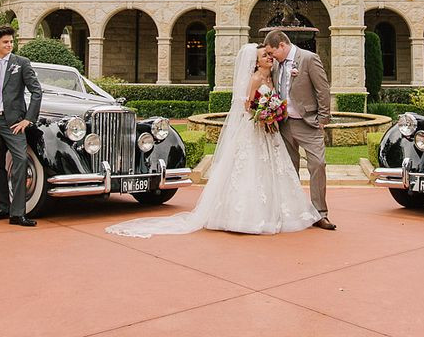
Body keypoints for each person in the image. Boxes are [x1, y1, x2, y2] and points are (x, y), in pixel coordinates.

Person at [107, 43, 321, 237]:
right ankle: (244, 216)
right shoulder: (255, 79)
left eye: (269, 54)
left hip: (269, 130)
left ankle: (279, 212)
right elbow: (246, 106)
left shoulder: (272, 75)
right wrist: (264, 113)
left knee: (273, 170)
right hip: (254, 129)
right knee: (250, 169)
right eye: (265, 55)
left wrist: (272, 111)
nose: (269, 57)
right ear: (255, 62)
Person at [267, 30, 335, 230]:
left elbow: (323, 89)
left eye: (272, 52)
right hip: (285, 124)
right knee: (289, 169)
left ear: (282, 45)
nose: (271, 57)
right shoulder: (277, 64)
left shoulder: (308, 58)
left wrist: (323, 118)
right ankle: (294, 211)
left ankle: (320, 213)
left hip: (308, 123)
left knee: (318, 164)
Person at [0, 25, 43, 226]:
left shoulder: (21, 63)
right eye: (5, 42)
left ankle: (18, 213)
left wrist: (28, 119)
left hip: (14, 124)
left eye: (11, 42)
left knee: (21, 161)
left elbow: (36, 92)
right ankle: (3, 208)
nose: (10, 45)